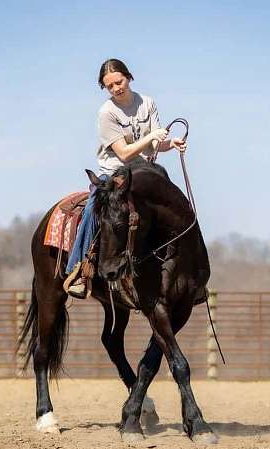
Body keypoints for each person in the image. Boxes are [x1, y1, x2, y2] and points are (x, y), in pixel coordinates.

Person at [64, 58, 187, 297]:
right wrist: (151, 137)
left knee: (173, 204)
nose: (116, 88)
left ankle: (186, 266)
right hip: (114, 174)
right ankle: (79, 269)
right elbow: (124, 152)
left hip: (143, 172)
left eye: (118, 82)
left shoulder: (147, 103)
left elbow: (153, 147)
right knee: (92, 209)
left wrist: (170, 143)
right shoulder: (106, 113)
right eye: (109, 86)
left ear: (129, 77)